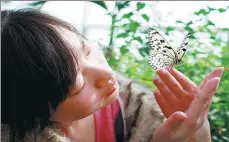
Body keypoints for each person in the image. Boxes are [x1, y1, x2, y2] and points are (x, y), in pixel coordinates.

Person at [1, 9, 224, 142]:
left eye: (87, 51)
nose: (107, 73)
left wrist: (198, 130)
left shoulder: (136, 110)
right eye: (78, 86)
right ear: (30, 111)